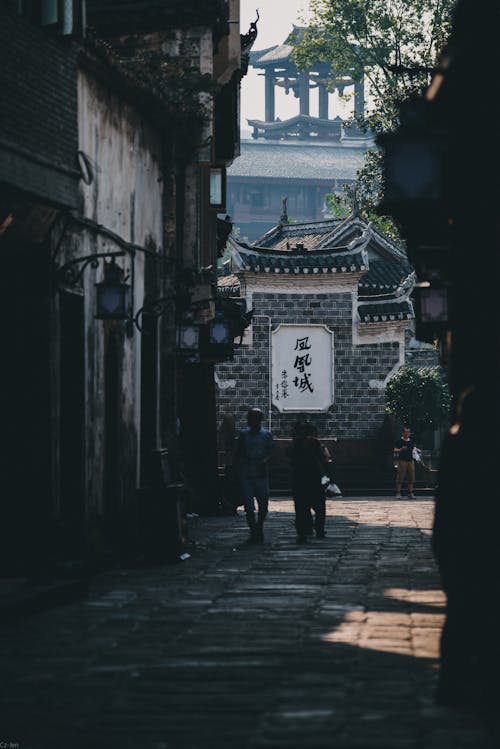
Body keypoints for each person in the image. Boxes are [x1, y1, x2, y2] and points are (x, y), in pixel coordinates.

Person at [432, 385, 497, 711]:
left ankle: (452, 682)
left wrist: (440, 542)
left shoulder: (455, 444)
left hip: (460, 541)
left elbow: (445, 501)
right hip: (483, 540)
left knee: (458, 614)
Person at [233, 407, 274, 543]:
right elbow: (238, 453)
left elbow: (272, 453)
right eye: (251, 418)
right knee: (249, 507)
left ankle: (259, 527)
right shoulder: (243, 435)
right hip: (246, 473)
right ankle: (253, 531)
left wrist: (265, 460)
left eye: (255, 418)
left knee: (264, 505)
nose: (253, 421)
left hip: (261, 473)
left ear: (261, 420)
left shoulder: (267, 435)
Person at [288, 421, 329, 543]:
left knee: (301, 508)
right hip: (312, 477)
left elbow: (290, 459)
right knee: (318, 506)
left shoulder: (294, 444)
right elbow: (323, 460)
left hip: (300, 478)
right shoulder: (313, 443)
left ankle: (304, 532)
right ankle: (318, 529)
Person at [394, 425, 421, 498]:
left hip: (410, 460)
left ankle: (410, 493)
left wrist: (418, 450)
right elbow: (394, 449)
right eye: (405, 432)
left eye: (408, 432)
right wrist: (400, 450)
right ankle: (398, 493)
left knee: (411, 477)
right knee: (400, 476)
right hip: (402, 460)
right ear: (402, 433)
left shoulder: (411, 441)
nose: (407, 433)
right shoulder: (399, 441)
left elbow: (414, 448)